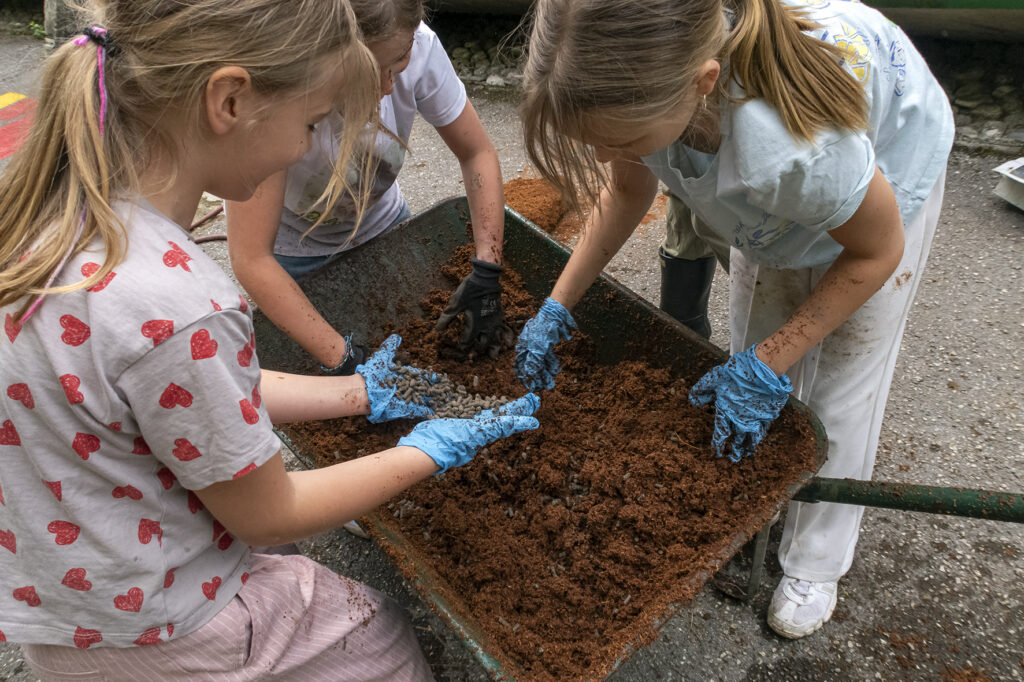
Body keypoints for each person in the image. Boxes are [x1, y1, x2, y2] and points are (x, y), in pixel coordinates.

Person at [0, 2, 539, 679]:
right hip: (166, 624)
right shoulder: (185, 304)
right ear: (230, 100)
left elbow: (177, 390)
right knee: (389, 640)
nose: (302, 147)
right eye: (312, 123)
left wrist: (357, 393)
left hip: (66, 596)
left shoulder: (62, 219)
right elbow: (270, 516)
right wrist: (426, 450)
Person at [514, 0, 953, 639]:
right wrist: (558, 303)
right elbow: (628, 189)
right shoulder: (641, 83)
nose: (612, 152)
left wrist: (770, 364)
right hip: (774, 209)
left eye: (623, 141)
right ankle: (760, 503)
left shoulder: (793, 150)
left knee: (837, 382)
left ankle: (815, 561)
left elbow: (875, 251)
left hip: (881, 189)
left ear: (702, 85)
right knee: (753, 349)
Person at [226, 0, 511, 379]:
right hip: (295, 257)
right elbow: (251, 257)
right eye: (370, 73)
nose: (388, 86)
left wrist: (487, 271)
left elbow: (477, 153)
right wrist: (343, 358)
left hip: (387, 228)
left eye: (398, 64)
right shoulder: (280, 89)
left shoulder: (418, 46)